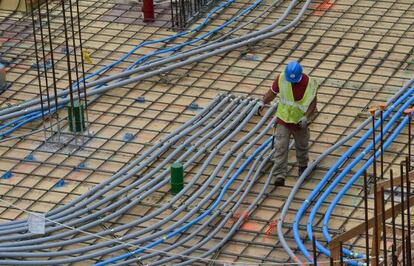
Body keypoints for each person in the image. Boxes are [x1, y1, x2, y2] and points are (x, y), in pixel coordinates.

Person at [262, 61, 318, 186]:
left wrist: (306, 117)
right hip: (284, 119)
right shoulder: (282, 78)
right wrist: (263, 102)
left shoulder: (309, 84)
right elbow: (272, 93)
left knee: (302, 144)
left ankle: (303, 166)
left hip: (299, 121)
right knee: (281, 146)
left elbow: (313, 103)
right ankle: (280, 174)